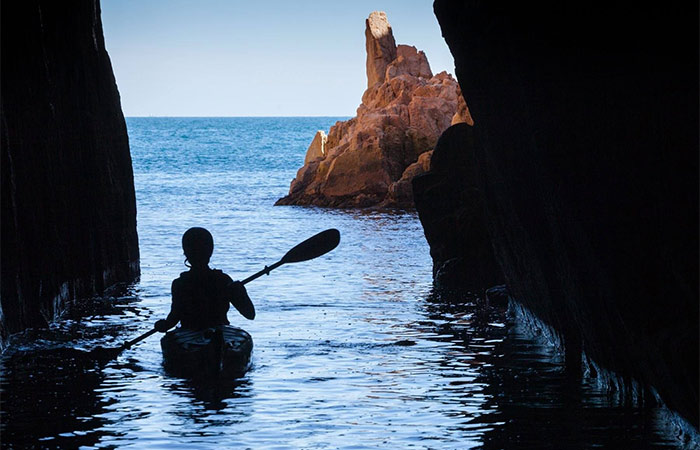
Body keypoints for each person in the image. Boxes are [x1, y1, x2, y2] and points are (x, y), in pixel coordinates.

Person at [154, 227, 255, 333]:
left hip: (190, 333)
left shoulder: (180, 283)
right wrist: (240, 292)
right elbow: (249, 314)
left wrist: (162, 325)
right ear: (210, 251)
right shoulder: (223, 280)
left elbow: (173, 319)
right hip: (221, 332)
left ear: (186, 252)